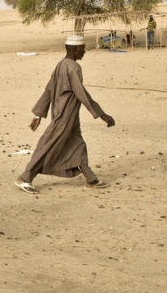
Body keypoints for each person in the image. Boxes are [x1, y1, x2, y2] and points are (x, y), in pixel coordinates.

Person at [15, 36, 115, 194]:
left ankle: (91, 179)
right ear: (74, 49)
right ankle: (25, 177)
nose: (84, 52)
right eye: (82, 49)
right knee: (49, 144)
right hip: (64, 115)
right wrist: (102, 114)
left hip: (70, 115)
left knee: (77, 144)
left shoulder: (60, 65)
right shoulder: (73, 67)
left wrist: (38, 115)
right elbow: (81, 93)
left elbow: (48, 89)